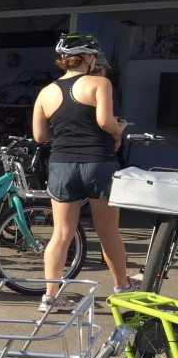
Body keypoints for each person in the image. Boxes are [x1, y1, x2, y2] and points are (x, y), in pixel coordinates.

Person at [33, 33, 133, 312]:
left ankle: (50, 298)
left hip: (61, 165)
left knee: (62, 233)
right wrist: (119, 131)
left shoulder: (46, 92)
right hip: (98, 162)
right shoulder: (100, 83)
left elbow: (40, 136)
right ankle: (122, 287)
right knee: (108, 231)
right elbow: (104, 121)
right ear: (88, 58)